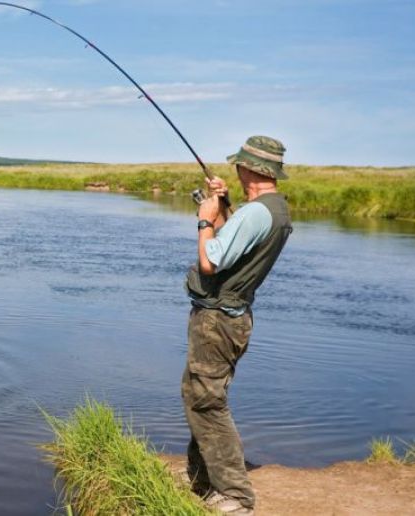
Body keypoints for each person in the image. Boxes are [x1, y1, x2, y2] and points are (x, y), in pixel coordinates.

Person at [181, 135, 293, 515]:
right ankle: (201, 476)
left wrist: (204, 219)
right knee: (198, 393)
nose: (235, 168)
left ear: (252, 169)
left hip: (218, 321)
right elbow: (235, 243)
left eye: (239, 164)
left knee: (208, 401)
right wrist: (225, 205)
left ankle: (235, 495)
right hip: (229, 317)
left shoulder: (257, 213)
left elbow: (212, 260)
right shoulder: (270, 209)